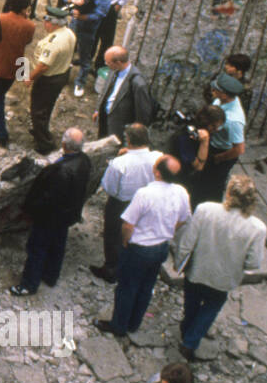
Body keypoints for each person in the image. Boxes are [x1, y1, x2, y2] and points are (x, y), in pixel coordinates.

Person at [174, 175, 267, 359]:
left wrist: (180, 262)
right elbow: (253, 263)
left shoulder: (205, 209)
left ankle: (187, 327)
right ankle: (191, 341)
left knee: (191, 301)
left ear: (228, 192)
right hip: (224, 278)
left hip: (197, 269)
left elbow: (188, 240)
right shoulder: (258, 228)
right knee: (211, 308)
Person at [96, 155, 190, 336]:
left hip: (139, 248)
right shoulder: (181, 192)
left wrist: (125, 242)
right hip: (161, 246)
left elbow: (128, 224)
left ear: (157, 172)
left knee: (126, 288)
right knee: (146, 286)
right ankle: (133, 323)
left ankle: (119, 325)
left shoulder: (144, 194)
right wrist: (168, 229)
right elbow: (184, 219)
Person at [12, 128, 91, 296]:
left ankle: (29, 284)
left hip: (50, 217)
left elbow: (48, 198)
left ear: (64, 144)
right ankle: (50, 276)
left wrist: (31, 209)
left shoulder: (61, 171)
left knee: (37, 248)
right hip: (67, 214)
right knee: (58, 245)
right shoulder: (84, 161)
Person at [91, 124, 155, 284]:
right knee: (134, 232)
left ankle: (111, 269)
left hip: (121, 203)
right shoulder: (157, 157)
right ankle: (130, 264)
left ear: (129, 141)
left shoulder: (120, 164)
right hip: (146, 200)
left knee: (113, 235)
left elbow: (109, 187)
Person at [0, 0, 35, 148]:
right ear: (24, 9)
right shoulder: (30, 26)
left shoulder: (0, 19)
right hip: (16, 65)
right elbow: (28, 41)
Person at [26, 5, 76, 154]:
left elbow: (42, 66)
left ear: (54, 23)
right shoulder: (69, 33)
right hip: (62, 73)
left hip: (48, 80)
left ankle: (44, 143)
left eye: (47, 21)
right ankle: (42, 130)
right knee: (47, 106)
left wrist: (30, 78)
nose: (44, 24)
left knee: (38, 110)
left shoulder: (54, 42)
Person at [190, 73, 247, 207]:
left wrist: (218, 158)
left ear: (225, 95)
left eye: (216, 90)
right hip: (212, 144)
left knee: (213, 186)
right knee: (201, 179)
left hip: (222, 152)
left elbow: (239, 149)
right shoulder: (221, 100)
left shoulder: (234, 120)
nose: (212, 91)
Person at [64, 0, 111, 98]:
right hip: (74, 25)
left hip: (88, 30)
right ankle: (63, 76)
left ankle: (80, 82)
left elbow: (98, 15)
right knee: (68, 51)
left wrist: (81, 17)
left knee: (85, 57)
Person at [93, 46, 153, 140]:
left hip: (119, 128)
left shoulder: (138, 83)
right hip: (105, 120)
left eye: (107, 62)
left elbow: (142, 115)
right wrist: (98, 109)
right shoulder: (114, 70)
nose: (106, 64)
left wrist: (133, 137)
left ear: (118, 63)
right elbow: (105, 90)